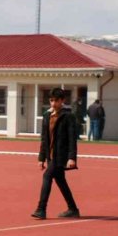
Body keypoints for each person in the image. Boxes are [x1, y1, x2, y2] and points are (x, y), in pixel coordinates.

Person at [31, 87, 80, 221]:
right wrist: (41, 158)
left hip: (61, 156)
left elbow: (72, 138)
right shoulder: (47, 116)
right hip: (50, 155)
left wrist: (71, 157)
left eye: (56, 101)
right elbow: (44, 138)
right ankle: (73, 209)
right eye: (51, 100)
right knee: (60, 181)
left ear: (62, 101)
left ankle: (41, 209)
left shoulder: (68, 116)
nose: (53, 103)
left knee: (47, 176)